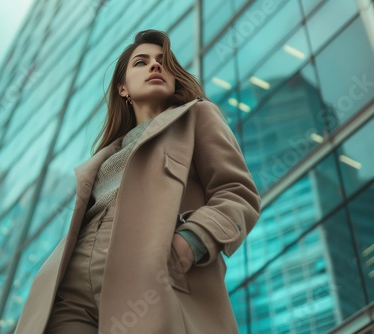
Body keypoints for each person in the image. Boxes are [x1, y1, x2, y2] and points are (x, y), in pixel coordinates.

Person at [14, 29, 261, 334]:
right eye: (141, 63)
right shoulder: (103, 157)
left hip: (149, 279)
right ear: (123, 88)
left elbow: (237, 193)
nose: (155, 66)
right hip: (71, 289)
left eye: (163, 62)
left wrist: (189, 243)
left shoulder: (197, 115)